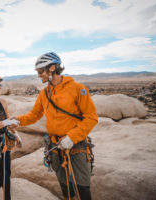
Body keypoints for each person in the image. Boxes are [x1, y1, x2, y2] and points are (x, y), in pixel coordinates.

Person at [14, 52, 98, 200]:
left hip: (76, 146)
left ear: (52, 68)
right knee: (65, 186)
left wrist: (72, 137)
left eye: (40, 71)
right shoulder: (44, 93)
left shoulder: (77, 89)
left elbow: (91, 118)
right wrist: (18, 120)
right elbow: (34, 115)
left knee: (82, 189)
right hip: (56, 146)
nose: (39, 75)